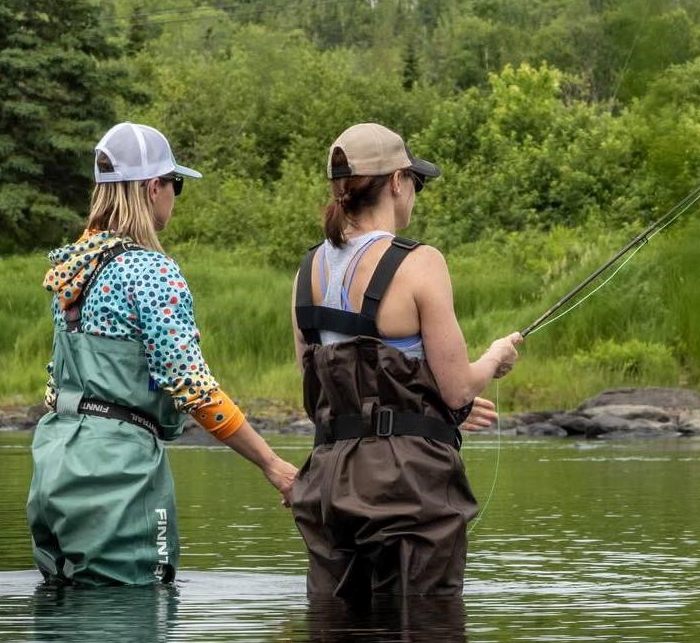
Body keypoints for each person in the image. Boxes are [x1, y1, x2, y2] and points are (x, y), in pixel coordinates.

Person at [28, 122, 297, 586]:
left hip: (55, 463)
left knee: (66, 627)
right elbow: (193, 387)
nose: (174, 195)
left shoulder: (68, 271)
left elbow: (57, 384)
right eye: (176, 185)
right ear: (154, 188)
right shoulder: (152, 272)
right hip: (119, 474)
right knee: (136, 613)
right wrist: (273, 465)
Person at [288, 123, 522, 598]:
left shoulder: (307, 270)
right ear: (396, 181)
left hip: (327, 481)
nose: (414, 193)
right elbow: (459, 388)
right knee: (425, 640)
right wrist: (495, 357)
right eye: (415, 181)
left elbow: (325, 391)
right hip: (407, 488)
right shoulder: (420, 262)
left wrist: (426, 405)